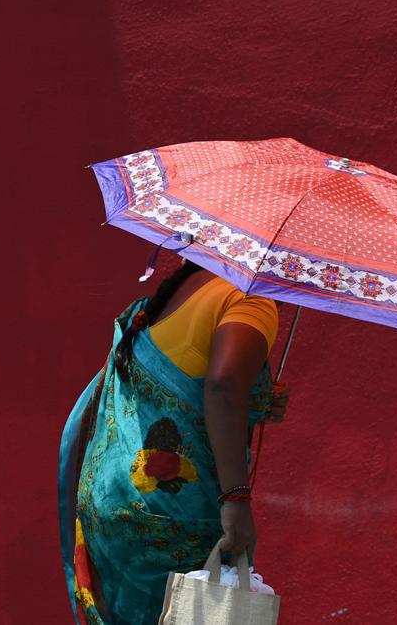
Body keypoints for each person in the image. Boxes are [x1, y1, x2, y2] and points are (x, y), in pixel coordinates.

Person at [58, 258, 289, 624]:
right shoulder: (249, 298)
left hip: (110, 500)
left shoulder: (190, 285)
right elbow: (223, 387)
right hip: (167, 514)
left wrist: (256, 397)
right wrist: (236, 499)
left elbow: (191, 373)